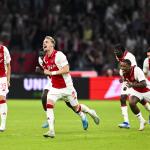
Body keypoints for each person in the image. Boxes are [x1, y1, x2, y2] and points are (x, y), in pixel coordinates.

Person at [40, 36, 100, 138]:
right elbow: (48, 73)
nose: (44, 44)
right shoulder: (44, 59)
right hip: (54, 88)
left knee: (77, 108)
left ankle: (91, 112)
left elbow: (66, 69)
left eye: (46, 42)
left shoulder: (59, 55)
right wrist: (43, 71)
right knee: (49, 105)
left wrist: (51, 72)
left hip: (67, 88)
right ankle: (51, 131)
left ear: (52, 44)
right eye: (43, 42)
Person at [37, 50, 80, 128]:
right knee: (44, 97)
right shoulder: (40, 60)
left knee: (70, 104)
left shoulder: (55, 57)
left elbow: (52, 71)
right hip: (51, 81)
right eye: (41, 57)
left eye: (43, 57)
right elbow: (47, 72)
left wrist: (40, 71)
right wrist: (43, 71)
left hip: (61, 80)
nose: (42, 59)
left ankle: (82, 115)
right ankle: (49, 118)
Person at [113, 44, 150, 128]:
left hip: (135, 79)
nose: (115, 53)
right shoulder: (118, 57)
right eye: (114, 52)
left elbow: (133, 69)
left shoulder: (130, 57)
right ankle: (126, 122)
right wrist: (122, 77)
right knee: (124, 98)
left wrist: (132, 83)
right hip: (128, 80)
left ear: (122, 51)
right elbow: (122, 68)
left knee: (141, 99)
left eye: (117, 51)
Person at [120, 59, 150, 131]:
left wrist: (132, 84)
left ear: (130, 66)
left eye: (124, 66)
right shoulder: (124, 72)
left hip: (147, 90)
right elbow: (126, 81)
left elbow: (143, 84)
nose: (122, 68)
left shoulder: (137, 70)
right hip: (137, 91)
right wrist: (123, 82)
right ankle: (141, 121)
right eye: (121, 66)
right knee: (131, 102)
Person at [0, 44, 11, 132]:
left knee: (2, 99)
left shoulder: (4, 49)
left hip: (2, 78)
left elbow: (8, 65)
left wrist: (8, 80)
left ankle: (3, 124)